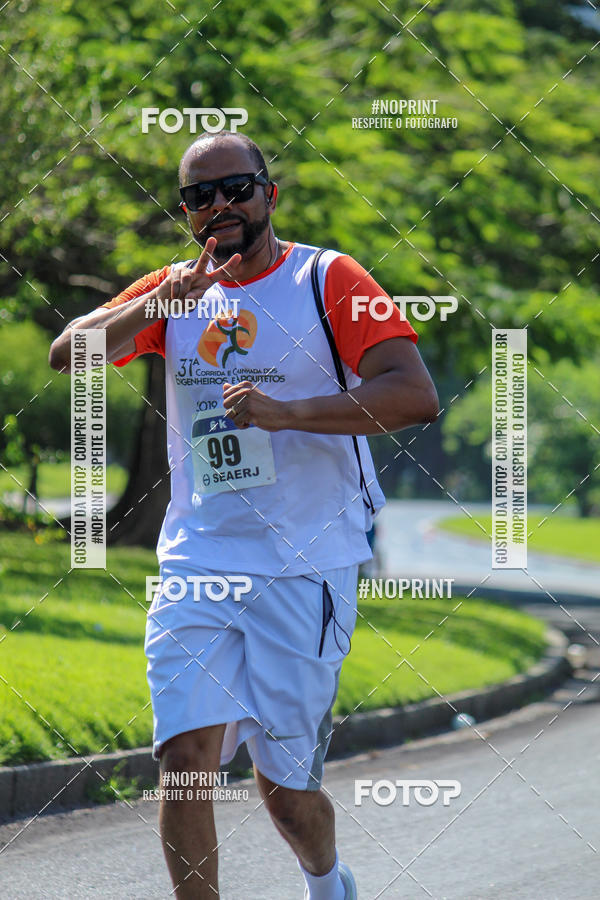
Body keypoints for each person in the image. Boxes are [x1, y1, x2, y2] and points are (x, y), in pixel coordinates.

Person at [49, 131, 439, 899]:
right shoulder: (176, 290)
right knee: (186, 757)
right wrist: (159, 304)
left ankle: (327, 882)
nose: (219, 206)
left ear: (270, 192)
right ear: (187, 212)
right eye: (199, 197)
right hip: (199, 558)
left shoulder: (330, 278)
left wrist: (288, 413)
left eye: (236, 188)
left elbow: (413, 393)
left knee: (286, 794)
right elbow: (71, 354)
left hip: (307, 560)